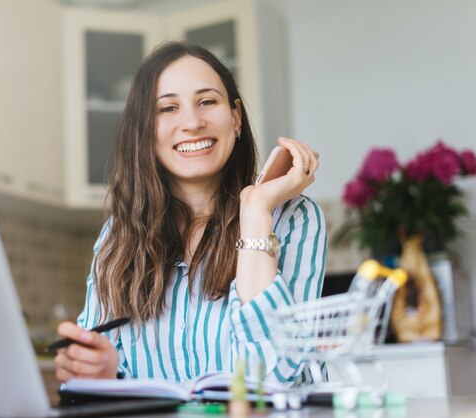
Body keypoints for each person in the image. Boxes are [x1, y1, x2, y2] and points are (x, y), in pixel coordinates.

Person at [54, 41, 326, 386]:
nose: (192, 122)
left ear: (236, 117)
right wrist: (102, 372)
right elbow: (95, 378)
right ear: (145, 132)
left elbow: (274, 378)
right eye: (167, 108)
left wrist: (256, 212)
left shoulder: (295, 219)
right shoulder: (117, 236)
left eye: (207, 101)